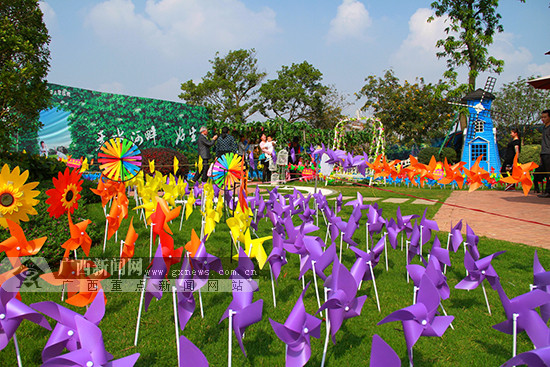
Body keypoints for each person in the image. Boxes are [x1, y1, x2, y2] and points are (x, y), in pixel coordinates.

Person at [538, 109, 550, 198]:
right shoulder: (544, 128)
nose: (543, 119)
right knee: (546, 173)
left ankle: (548, 191)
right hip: (544, 153)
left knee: (549, 173)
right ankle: (547, 190)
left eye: (545, 117)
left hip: (549, 153)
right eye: (542, 117)